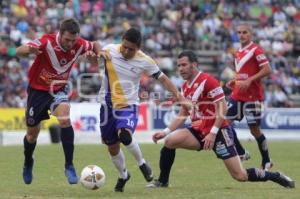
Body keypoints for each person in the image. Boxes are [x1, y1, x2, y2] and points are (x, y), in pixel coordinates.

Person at [147, 50, 295, 189]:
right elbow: (183, 113)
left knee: (240, 176)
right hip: (199, 130)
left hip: (219, 132)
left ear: (194, 64)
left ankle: (275, 176)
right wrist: (165, 132)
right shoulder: (185, 86)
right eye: (178, 65)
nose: (180, 68)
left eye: (184, 65)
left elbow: (222, 108)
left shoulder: (208, 80)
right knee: (170, 141)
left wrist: (212, 133)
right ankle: (163, 181)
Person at [16, 18, 109, 185]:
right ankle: (28, 161)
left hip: (59, 88)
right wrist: (29, 51)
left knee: (65, 118)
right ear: (60, 34)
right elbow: (19, 50)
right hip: (37, 91)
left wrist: (98, 53)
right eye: (67, 40)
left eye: (73, 40)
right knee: (31, 135)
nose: (70, 43)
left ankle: (69, 165)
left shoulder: (79, 44)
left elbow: (95, 44)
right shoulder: (46, 41)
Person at [97, 28, 187, 192]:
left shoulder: (145, 60)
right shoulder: (109, 49)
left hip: (128, 105)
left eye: (131, 49)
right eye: (124, 46)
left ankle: (142, 163)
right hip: (106, 106)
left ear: (138, 48)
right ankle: (123, 174)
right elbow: (93, 55)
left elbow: (164, 79)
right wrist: (94, 54)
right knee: (112, 147)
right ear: (122, 40)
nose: (126, 51)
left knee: (124, 134)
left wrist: (180, 97)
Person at [225, 23, 273, 170]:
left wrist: (249, 80)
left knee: (255, 130)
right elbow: (243, 73)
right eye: (239, 32)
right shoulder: (238, 51)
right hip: (237, 95)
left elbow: (267, 69)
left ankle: (266, 160)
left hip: (253, 97)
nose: (241, 35)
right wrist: (235, 81)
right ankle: (241, 152)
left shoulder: (256, 50)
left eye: (244, 32)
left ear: (250, 34)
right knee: (224, 122)